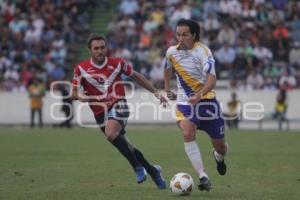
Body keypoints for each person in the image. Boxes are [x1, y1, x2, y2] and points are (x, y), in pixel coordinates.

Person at [71, 33, 167, 189]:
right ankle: (153, 171)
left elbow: (137, 76)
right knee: (127, 146)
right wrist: (80, 96)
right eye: (96, 48)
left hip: (119, 104)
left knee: (110, 133)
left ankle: (137, 167)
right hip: (99, 112)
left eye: (103, 47)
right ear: (90, 50)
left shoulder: (117, 63)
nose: (100, 51)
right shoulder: (81, 69)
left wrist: (156, 92)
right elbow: (73, 92)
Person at [164, 19, 229, 191]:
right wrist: (166, 87)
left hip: (207, 103)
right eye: (178, 34)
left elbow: (212, 79)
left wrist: (199, 95)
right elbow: (166, 67)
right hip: (185, 103)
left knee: (221, 147)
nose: (180, 38)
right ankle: (203, 176)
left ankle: (218, 156)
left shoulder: (203, 51)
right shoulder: (171, 52)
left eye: (185, 34)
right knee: (187, 132)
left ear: (194, 35)